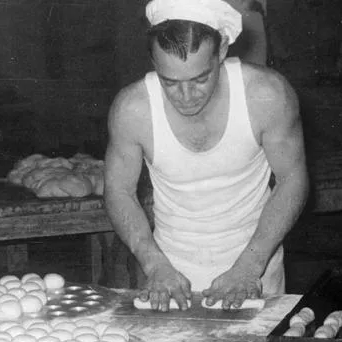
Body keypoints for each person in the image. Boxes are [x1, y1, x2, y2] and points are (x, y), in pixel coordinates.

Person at [104, 0, 308, 311]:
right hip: (167, 276)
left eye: (200, 79)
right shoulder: (133, 110)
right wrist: (154, 264)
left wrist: (250, 267)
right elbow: (119, 191)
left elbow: (292, 180)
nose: (186, 97)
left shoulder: (266, 96)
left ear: (223, 49)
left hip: (256, 268)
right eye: (170, 83)